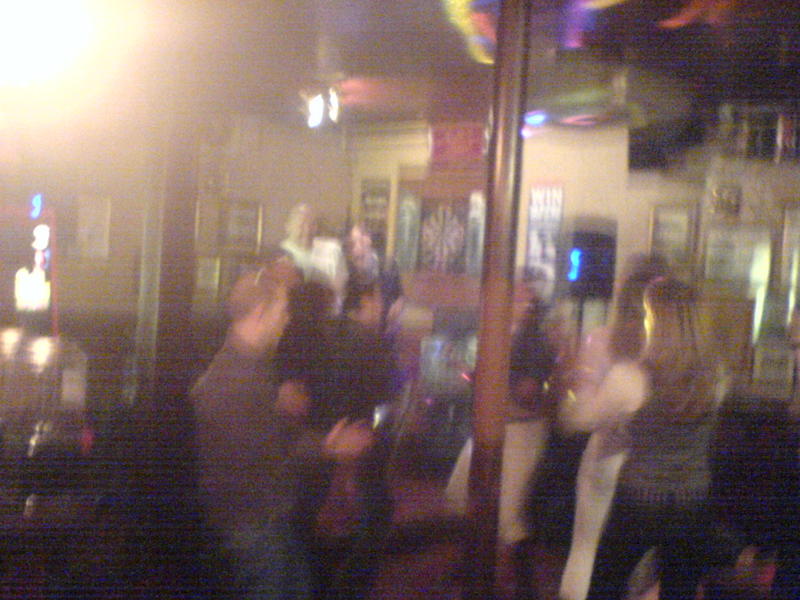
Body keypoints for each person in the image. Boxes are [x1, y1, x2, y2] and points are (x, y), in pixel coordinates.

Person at [191, 259, 375, 600]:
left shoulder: (245, 364)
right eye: (282, 311)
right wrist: (330, 446)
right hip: (250, 523)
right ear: (260, 313)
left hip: (257, 520)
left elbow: (267, 433)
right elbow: (271, 450)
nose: (287, 319)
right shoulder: (236, 379)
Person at [570, 277, 727, 600]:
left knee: (605, 586)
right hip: (693, 498)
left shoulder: (631, 377)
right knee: (679, 590)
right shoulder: (717, 376)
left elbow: (581, 420)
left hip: (640, 496)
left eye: (647, 314)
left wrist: (576, 386)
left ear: (657, 321)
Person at [558, 253, 669, 600]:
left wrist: (568, 392)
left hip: (607, 457)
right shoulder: (675, 351)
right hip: (656, 467)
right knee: (642, 559)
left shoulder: (602, 340)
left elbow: (579, 416)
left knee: (586, 548)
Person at [344, 222, 404, 338]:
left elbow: (399, 295)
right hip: (359, 335)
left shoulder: (389, 265)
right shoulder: (349, 271)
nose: (355, 249)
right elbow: (346, 309)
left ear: (368, 240)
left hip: (386, 331)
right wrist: (357, 317)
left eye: (359, 241)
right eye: (351, 244)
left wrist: (397, 311)